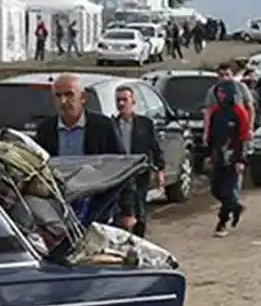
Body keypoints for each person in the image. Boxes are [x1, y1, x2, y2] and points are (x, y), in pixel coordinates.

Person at [33, 73, 135, 229]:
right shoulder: (46, 130)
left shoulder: (103, 127)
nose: (63, 101)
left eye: (69, 95)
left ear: (82, 97)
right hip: (59, 210)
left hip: (97, 207)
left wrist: (127, 211)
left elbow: (122, 167)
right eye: (58, 96)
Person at [112, 84, 165, 237]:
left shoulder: (144, 124)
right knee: (121, 211)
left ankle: (139, 239)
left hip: (139, 173)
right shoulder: (112, 125)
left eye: (124, 100)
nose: (121, 103)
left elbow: (154, 147)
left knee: (140, 209)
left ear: (132, 102)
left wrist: (159, 170)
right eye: (118, 100)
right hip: (119, 175)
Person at [207, 80, 251, 237]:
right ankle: (235, 207)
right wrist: (209, 154)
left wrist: (240, 160)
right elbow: (212, 136)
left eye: (222, 92)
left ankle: (222, 222)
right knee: (216, 190)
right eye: (218, 92)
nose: (220, 95)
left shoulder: (239, 112)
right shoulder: (216, 112)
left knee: (227, 190)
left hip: (233, 157)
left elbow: (243, 138)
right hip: (218, 156)